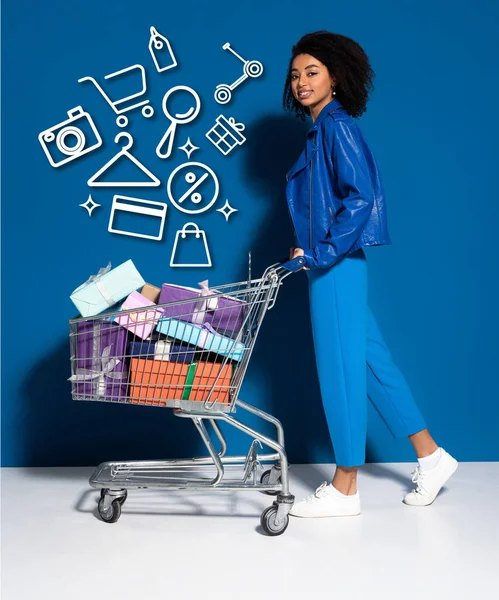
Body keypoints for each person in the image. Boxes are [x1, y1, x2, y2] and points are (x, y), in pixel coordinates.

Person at [281, 31, 458, 518]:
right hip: (333, 263)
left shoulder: (336, 127)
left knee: (339, 371)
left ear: (335, 78)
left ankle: (345, 487)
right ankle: (432, 455)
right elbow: (329, 203)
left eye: (312, 72)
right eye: (296, 74)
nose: (301, 82)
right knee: (370, 364)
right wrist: (312, 244)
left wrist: (321, 252)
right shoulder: (320, 131)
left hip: (335, 267)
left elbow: (360, 198)